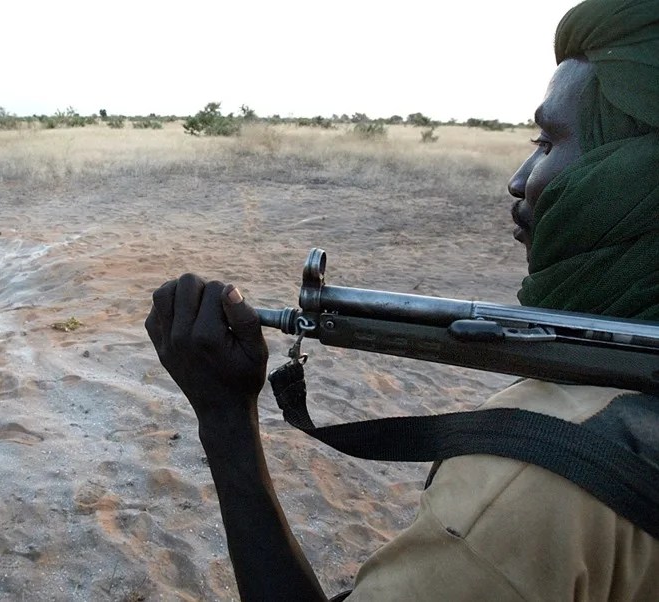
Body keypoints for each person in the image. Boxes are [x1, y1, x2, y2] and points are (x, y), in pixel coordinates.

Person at [145, 0, 659, 599]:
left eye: (547, 142)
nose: (519, 179)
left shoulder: (526, 489)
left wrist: (226, 421)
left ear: (633, 175)